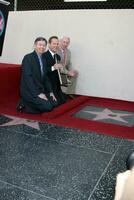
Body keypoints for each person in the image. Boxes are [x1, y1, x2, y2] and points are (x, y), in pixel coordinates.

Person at [17, 37, 58, 114]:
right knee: (48, 107)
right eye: (40, 45)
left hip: (40, 89)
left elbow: (45, 78)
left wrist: (50, 92)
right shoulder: (28, 58)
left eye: (44, 45)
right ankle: (24, 104)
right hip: (29, 90)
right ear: (35, 46)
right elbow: (28, 78)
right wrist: (38, 94)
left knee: (55, 103)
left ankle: (34, 102)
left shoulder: (43, 59)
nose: (42, 47)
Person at [43, 36, 66, 105]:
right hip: (48, 85)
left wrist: (64, 79)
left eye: (57, 44)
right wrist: (53, 67)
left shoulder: (58, 56)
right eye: (54, 43)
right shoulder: (43, 55)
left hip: (56, 85)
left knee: (63, 101)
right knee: (55, 104)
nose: (56, 45)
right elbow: (42, 71)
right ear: (49, 44)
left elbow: (58, 72)